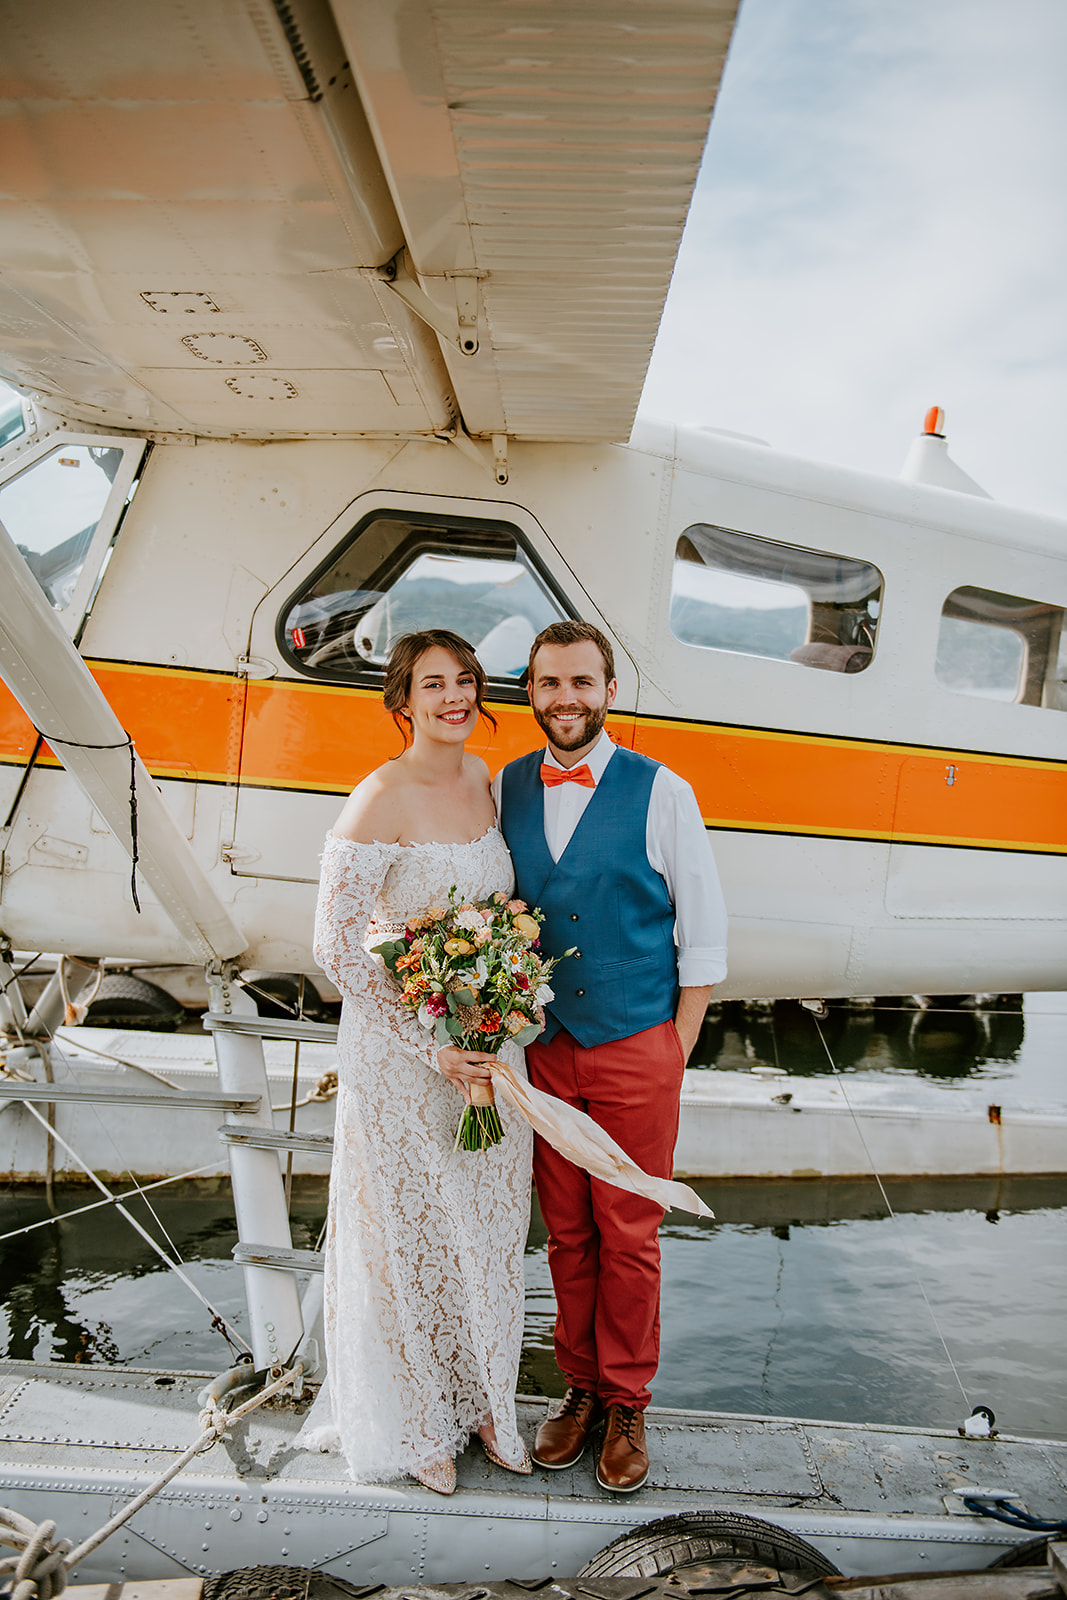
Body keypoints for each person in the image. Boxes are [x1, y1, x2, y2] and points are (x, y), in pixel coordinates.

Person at [493, 620, 728, 1494]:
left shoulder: (663, 791)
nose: (566, 699)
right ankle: (580, 1391)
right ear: (531, 691)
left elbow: (703, 937)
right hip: (546, 1053)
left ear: (608, 690)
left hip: (637, 1044)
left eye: (581, 682)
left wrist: (673, 1049)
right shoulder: (507, 787)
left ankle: (628, 1400)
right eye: (549, 683)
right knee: (565, 1234)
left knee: (629, 1235)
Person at [306, 628, 533, 1495]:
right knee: (402, 1234)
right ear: (401, 703)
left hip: (485, 1048)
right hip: (406, 1056)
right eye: (434, 684)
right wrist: (426, 1041)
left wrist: (494, 1007)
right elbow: (335, 946)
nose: (455, 697)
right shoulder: (378, 798)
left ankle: (482, 1404)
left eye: (467, 681)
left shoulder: (482, 779)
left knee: (479, 1232)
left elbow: (494, 910)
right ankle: (411, 1424)